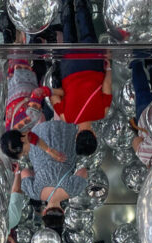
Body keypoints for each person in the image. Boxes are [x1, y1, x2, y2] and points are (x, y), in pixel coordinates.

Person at [49, 0, 112, 147]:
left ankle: (81, 5)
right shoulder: (66, 117)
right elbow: (53, 95)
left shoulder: (102, 112)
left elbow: (107, 85)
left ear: (94, 134)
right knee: (68, 33)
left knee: (87, 30)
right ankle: (66, 5)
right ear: (77, 136)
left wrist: (108, 67)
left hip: (92, 65)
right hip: (70, 70)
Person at [0, 120, 89, 208]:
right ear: (45, 211)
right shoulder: (34, 194)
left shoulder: (72, 191)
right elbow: (25, 172)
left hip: (63, 150)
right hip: (39, 151)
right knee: (40, 119)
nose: (25, 153)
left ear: (62, 211)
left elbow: (83, 171)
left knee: (61, 117)